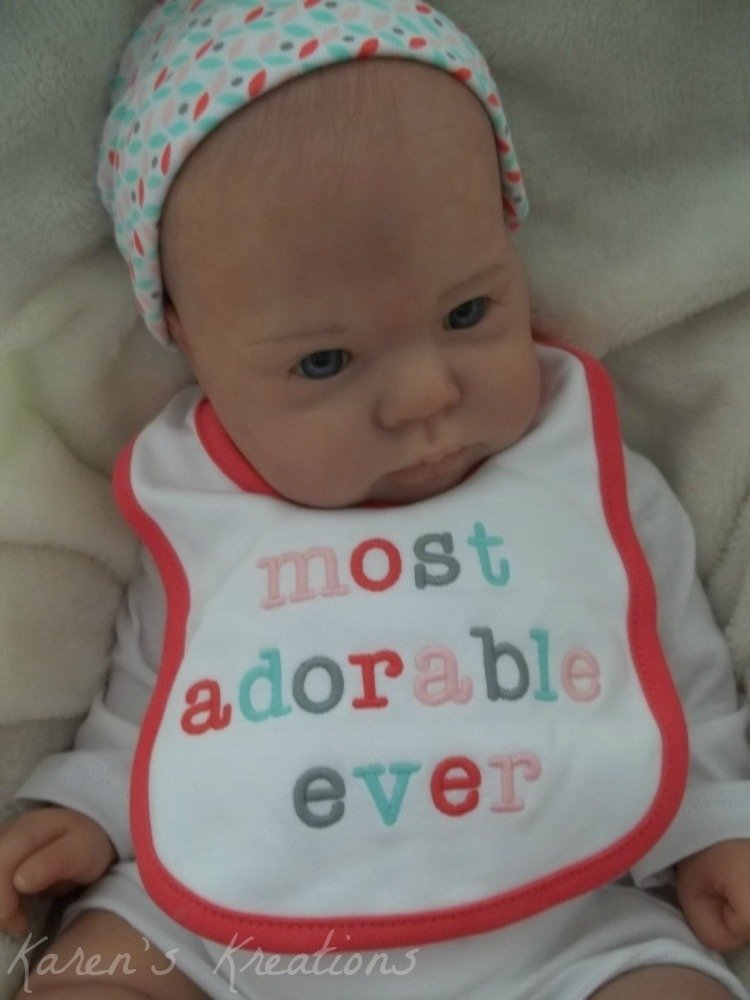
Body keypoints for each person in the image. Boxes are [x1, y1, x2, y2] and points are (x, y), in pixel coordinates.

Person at [1, 1, 749, 997]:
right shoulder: (204, 509)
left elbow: (671, 668)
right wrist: (91, 806)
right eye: (324, 361)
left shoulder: (583, 478)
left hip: (556, 923)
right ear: (187, 338)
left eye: (468, 311)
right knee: (96, 969)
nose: (425, 394)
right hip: (226, 927)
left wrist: (713, 821)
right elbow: (160, 699)